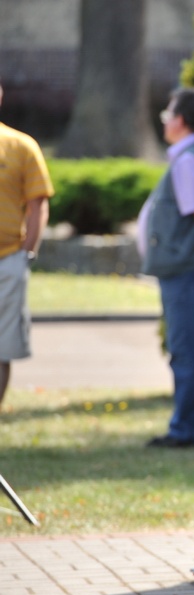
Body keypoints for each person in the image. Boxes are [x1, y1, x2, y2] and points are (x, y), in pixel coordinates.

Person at [139, 87, 194, 448]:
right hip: (192, 269)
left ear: (180, 121)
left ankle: (187, 428)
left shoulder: (187, 159)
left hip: (188, 270)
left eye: (167, 115)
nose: (166, 122)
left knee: (188, 351)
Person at [0, 77, 53, 407]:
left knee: (2, 346)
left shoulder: (21, 146)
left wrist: (27, 253)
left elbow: (38, 204)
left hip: (7, 260)